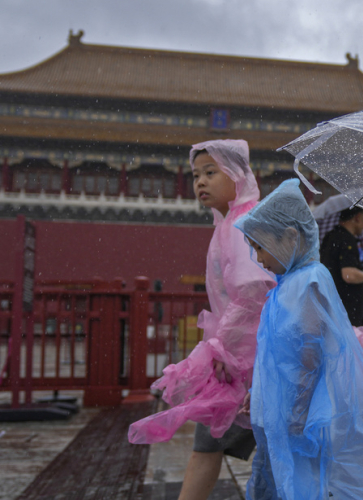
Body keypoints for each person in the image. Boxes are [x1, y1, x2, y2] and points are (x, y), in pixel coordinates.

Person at [235, 179, 363, 499]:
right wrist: (258, 389)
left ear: (290, 236)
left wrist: (299, 408)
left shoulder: (309, 281)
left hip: (298, 409)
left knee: (304, 477)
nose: (257, 257)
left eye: (260, 246)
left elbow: (311, 353)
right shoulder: (284, 286)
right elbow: (272, 355)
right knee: (279, 474)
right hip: (280, 406)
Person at [129, 140, 274, 500]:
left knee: (221, 445)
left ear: (238, 176)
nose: (201, 183)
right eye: (196, 175)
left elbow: (253, 291)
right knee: (226, 445)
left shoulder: (244, 223)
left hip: (252, 360)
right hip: (245, 359)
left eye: (211, 173)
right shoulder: (230, 223)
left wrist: (225, 349)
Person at [320, 206, 363, 325]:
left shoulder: (330, 236)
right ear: (357, 218)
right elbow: (349, 275)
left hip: (329, 304)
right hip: (345, 310)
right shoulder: (347, 240)